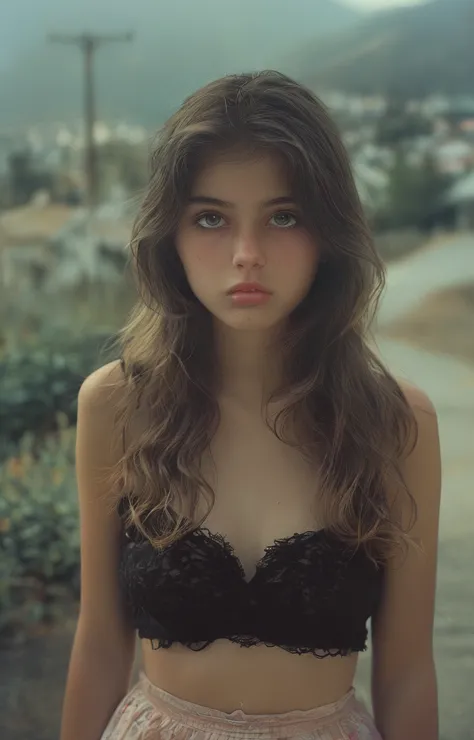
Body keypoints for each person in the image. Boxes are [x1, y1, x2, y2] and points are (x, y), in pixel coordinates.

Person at [60, 71, 441, 740]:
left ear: (328, 233)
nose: (246, 256)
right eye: (210, 217)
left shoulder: (396, 425)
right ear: (169, 237)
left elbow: (407, 670)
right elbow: (98, 644)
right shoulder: (118, 406)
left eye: (284, 216)